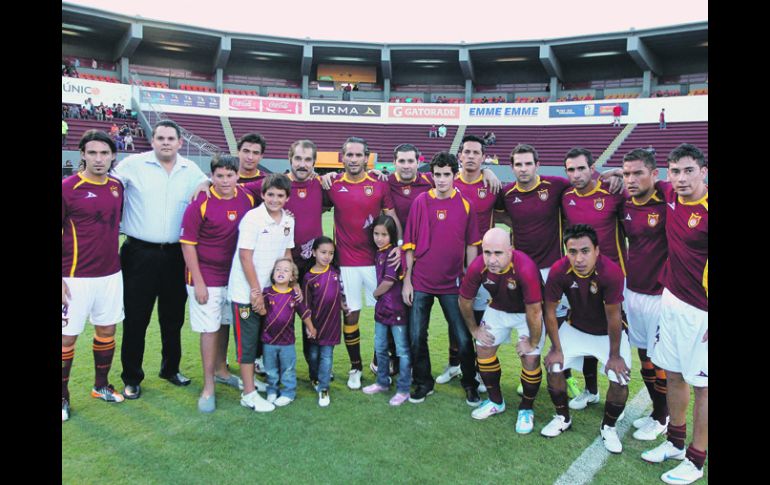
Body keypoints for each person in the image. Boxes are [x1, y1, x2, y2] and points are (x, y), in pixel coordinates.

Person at [114, 119, 209, 400]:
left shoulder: (190, 169)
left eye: (171, 139)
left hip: (175, 255)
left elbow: (206, 181)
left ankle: (170, 369)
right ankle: (132, 377)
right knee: (136, 319)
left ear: (179, 142)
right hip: (138, 254)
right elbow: (110, 183)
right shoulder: (133, 164)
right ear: (152, 141)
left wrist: (204, 183)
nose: (166, 143)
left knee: (173, 318)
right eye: (160, 138)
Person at [641, 144, 708, 484]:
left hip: (702, 312)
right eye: (675, 172)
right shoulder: (669, 195)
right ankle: (676, 443)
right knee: (675, 375)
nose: (681, 178)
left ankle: (696, 461)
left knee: (704, 387)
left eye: (689, 171)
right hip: (672, 301)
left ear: (703, 172)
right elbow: (639, 176)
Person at [541, 225, 632, 455]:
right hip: (576, 328)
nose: (579, 258)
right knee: (553, 366)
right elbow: (549, 311)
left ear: (597, 251)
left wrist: (614, 356)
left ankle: (608, 427)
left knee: (620, 379)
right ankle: (562, 417)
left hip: (607, 333)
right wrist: (556, 348)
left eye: (585, 251)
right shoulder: (559, 270)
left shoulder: (611, 272)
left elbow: (614, 317)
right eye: (572, 252)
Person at [324, 137, 402, 390]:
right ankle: (355, 367)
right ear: (342, 157)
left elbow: (392, 217)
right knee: (350, 314)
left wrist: (399, 246)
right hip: (346, 263)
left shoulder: (379, 184)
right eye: (350, 155)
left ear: (366, 158)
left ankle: (380, 361)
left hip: (375, 262)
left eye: (359, 155)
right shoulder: (333, 184)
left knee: (387, 312)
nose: (354, 159)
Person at [402, 151, 480, 405]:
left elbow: (472, 244)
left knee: (463, 337)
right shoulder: (421, 202)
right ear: (432, 175)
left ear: (455, 175)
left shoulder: (466, 204)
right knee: (416, 336)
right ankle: (424, 382)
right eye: (438, 174)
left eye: (447, 174)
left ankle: (470, 383)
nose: (442, 179)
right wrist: (407, 281)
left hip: (452, 284)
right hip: (421, 281)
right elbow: (409, 244)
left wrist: (470, 278)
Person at [179, 154, 255, 413]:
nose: (224, 181)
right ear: (211, 176)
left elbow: (274, 189)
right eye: (219, 176)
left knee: (224, 324)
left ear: (237, 176)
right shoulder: (200, 203)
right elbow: (188, 245)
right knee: (209, 329)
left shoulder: (247, 197)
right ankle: (208, 386)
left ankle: (222, 371)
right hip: (206, 278)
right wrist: (199, 282)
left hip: (233, 277)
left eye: (229, 175)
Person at [62, 130, 126, 422]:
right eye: (92, 153)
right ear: (83, 155)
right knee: (66, 339)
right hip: (74, 277)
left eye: (104, 153)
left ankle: (101, 386)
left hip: (110, 274)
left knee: (107, 331)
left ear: (113, 156)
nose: (99, 159)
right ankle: (63, 397)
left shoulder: (116, 186)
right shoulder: (68, 188)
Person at [459, 228, 545, 433]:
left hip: (526, 313)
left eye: (498, 253)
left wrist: (532, 342)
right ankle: (496, 401)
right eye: (487, 252)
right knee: (483, 348)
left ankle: (526, 409)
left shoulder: (525, 267)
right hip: (498, 308)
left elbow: (535, 311)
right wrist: (474, 329)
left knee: (530, 359)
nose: (492, 259)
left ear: (510, 250)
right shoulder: (478, 266)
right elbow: (464, 300)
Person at [561, 147, 627, 410]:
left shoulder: (613, 191)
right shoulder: (566, 196)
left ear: (592, 168)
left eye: (581, 168)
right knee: (586, 332)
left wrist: (620, 172)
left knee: (618, 336)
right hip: (582, 280)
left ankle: (649, 409)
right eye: (571, 170)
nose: (576, 174)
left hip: (615, 280)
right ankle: (591, 391)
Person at [437, 134, 501, 389]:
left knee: (482, 318)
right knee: (456, 317)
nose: (471, 156)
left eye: (477, 153)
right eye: (467, 152)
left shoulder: (492, 186)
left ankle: (480, 369)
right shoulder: (448, 182)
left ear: (484, 157)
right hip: (452, 264)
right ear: (459, 156)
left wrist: (490, 173)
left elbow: (510, 216)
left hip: (484, 265)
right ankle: (454, 364)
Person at [228, 173, 296, 412]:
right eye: (270, 195)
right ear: (263, 195)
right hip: (245, 293)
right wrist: (255, 292)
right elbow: (245, 256)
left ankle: (254, 384)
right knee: (246, 343)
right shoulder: (252, 219)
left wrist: (292, 283)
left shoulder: (288, 221)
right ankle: (248, 394)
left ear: (287, 198)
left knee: (260, 340)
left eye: (280, 195)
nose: (275, 199)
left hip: (269, 293)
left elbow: (287, 254)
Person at [618, 149, 670, 441]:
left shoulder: (667, 203)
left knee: (659, 358)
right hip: (632, 291)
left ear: (654, 174)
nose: (631, 179)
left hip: (661, 294)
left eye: (638, 173)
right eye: (626, 173)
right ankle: (656, 411)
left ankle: (663, 417)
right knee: (644, 356)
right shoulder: (625, 203)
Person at [362, 215, 411, 406]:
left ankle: (404, 389)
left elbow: (389, 281)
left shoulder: (392, 254)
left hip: (396, 310)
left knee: (402, 351)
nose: (379, 238)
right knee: (380, 347)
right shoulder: (378, 252)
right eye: (376, 234)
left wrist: (374, 294)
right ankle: (382, 382)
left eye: (384, 234)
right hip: (382, 310)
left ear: (392, 235)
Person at [258, 259, 316, 407]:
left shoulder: (294, 295)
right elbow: (262, 312)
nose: (281, 272)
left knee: (288, 369)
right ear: (273, 274)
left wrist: (310, 327)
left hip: (287, 342)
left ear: (292, 277)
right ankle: (272, 390)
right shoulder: (267, 293)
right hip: (269, 341)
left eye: (286, 270)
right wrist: (257, 304)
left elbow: (304, 313)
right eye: (278, 269)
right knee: (270, 369)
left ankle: (288, 393)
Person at [302, 237, 346, 407]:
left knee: (327, 356)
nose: (327, 256)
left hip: (332, 324)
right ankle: (314, 378)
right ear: (314, 252)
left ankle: (324, 388)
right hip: (315, 326)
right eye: (323, 252)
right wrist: (309, 326)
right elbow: (305, 305)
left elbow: (337, 294)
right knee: (313, 356)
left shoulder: (335, 272)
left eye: (331, 253)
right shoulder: (309, 278)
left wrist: (342, 304)